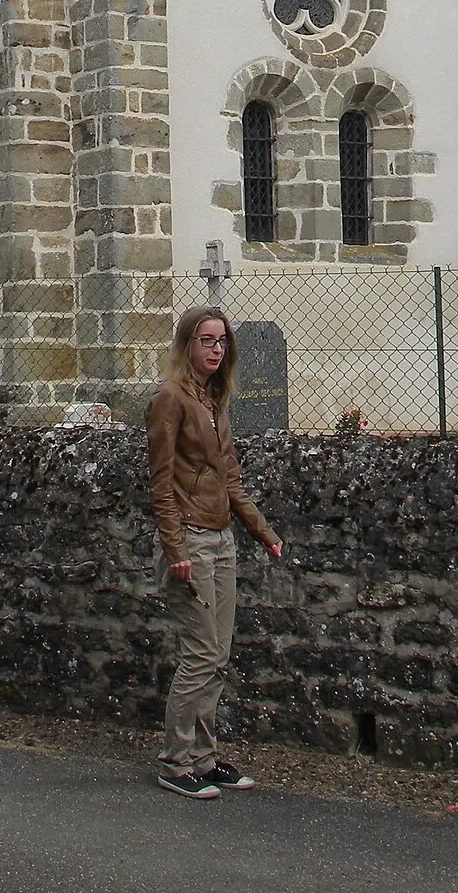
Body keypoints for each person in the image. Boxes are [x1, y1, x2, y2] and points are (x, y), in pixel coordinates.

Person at [145, 304, 283, 799]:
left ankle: (202, 759)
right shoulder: (170, 400)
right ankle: (175, 761)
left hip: (221, 537)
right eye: (206, 341)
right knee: (200, 654)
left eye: (222, 341)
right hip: (189, 541)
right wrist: (174, 547)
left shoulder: (213, 398)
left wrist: (262, 531)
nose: (216, 350)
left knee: (218, 655)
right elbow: (160, 485)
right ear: (187, 345)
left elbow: (230, 478)